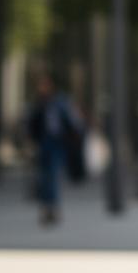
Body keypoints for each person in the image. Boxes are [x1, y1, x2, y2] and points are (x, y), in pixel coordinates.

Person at [23, 71, 84, 227]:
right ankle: (47, 207)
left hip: (58, 142)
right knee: (45, 175)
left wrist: (74, 137)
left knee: (52, 175)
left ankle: (51, 207)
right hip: (44, 143)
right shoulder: (39, 104)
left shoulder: (60, 102)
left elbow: (71, 121)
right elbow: (32, 123)